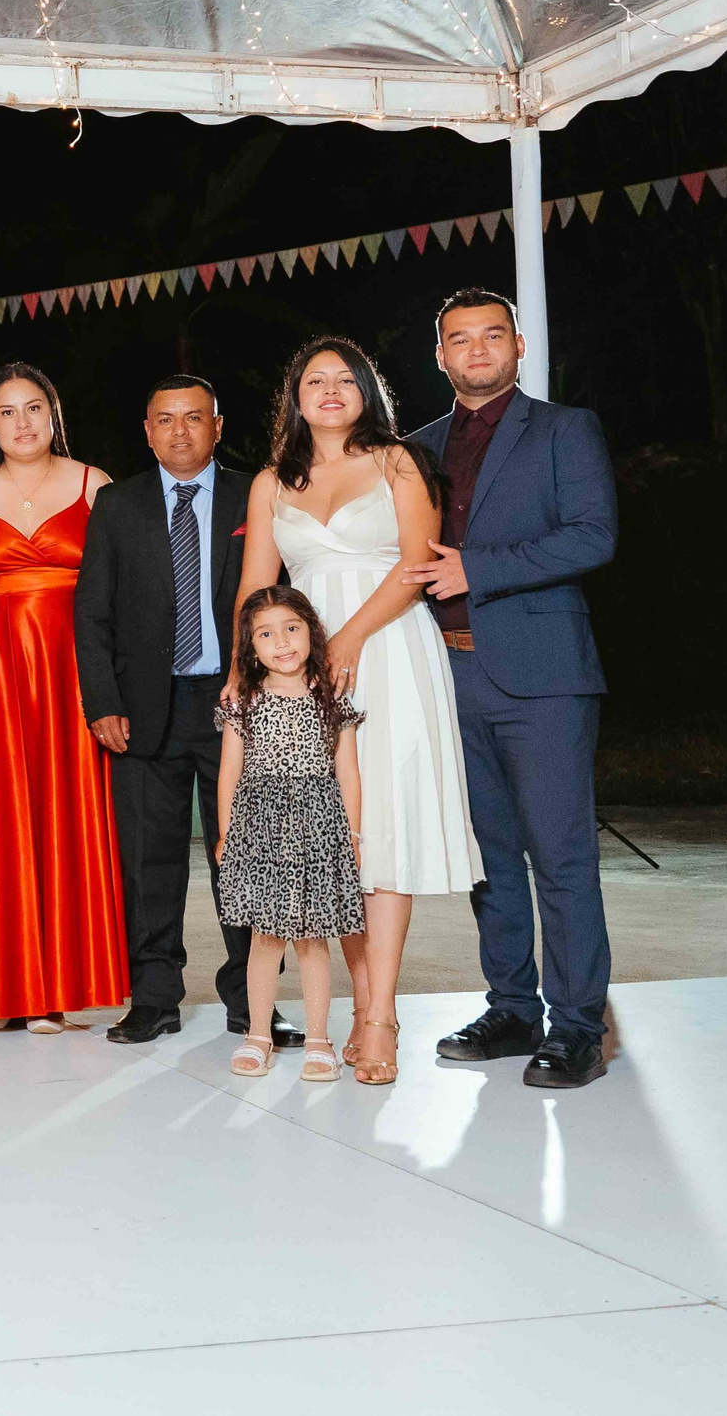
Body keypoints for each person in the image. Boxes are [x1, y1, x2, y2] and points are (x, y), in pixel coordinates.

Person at [236, 337, 480, 1088]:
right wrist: (247, 677)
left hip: (390, 652)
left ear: (368, 391)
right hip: (300, 672)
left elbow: (417, 565)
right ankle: (365, 1001)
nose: (332, 391)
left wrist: (345, 637)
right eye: (316, 380)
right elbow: (255, 591)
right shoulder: (273, 482)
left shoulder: (398, 463)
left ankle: (380, 1016)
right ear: (296, 397)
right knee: (335, 830)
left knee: (387, 823)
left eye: (347, 379)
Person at [403, 289, 619, 1088]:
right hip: (447, 675)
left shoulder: (565, 429)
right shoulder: (415, 447)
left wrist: (478, 569)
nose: (478, 350)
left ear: (518, 346)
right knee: (487, 858)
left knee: (560, 856)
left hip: (544, 680)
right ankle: (512, 1009)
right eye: (461, 339)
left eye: (493, 336)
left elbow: (593, 534)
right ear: (441, 356)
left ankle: (577, 1028)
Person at [74, 376, 301, 1051]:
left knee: (243, 854)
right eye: (165, 419)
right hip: (146, 705)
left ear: (218, 426)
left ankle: (250, 1000)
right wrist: (103, 703)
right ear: (146, 429)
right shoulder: (117, 504)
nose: (180, 431)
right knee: (149, 859)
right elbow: (91, 614)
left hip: (237, 700)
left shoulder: (251, 497)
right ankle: (153, 998)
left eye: (194, 418)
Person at [0, 363, 127, 1034]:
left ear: (54, 415)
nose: (22, 422)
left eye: (34, 408)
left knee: (67, 820)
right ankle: (1, 988)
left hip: (73, 675)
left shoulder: (94, 484)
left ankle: (58, 989)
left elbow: (118, 595)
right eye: (8, 412)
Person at [215, 587, 367, 1084]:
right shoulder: (245, 702)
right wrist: (224, 833)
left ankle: (319, 1038)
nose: (281, 642)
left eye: (292, 629)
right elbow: (229, 773)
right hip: (259, 829)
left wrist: (353, 836)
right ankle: (258, 1034)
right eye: (266, 634)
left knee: (312, 938)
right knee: (265, 938)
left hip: (318, 829)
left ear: (312, 632)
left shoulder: (331, 700)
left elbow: (348, 774)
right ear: (250, 649)